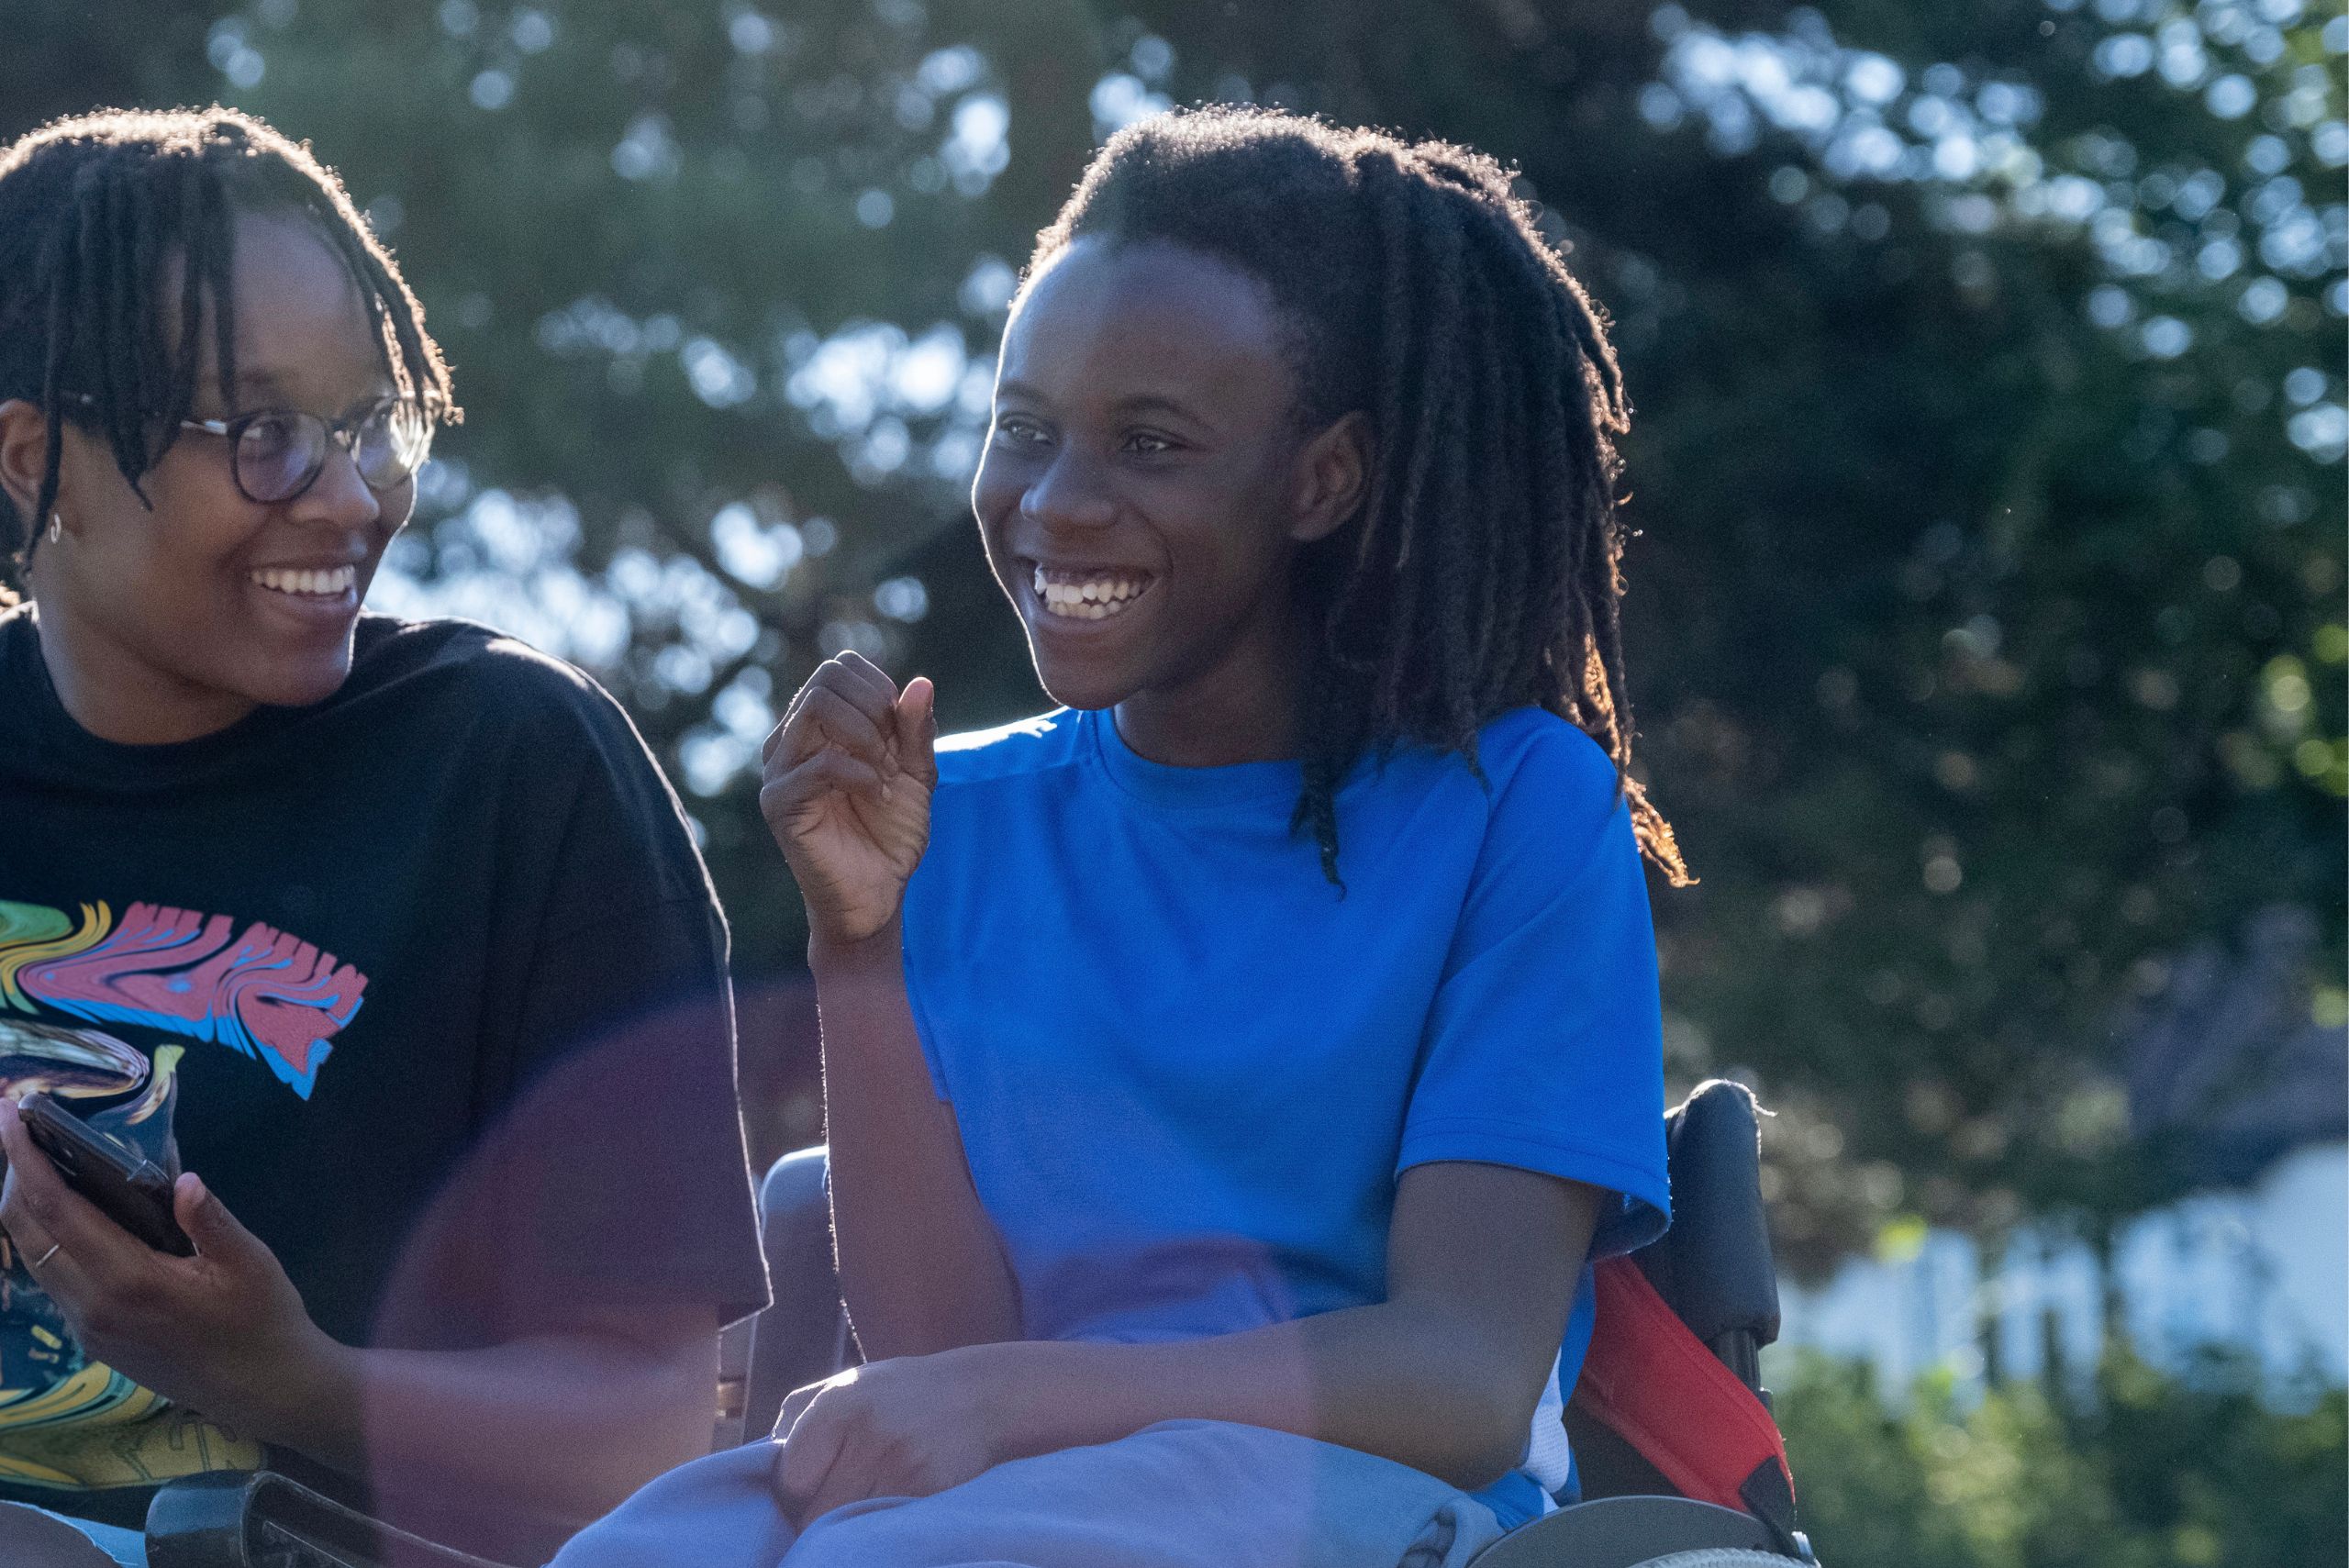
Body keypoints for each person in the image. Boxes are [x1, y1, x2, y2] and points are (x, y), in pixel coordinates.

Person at [555, 105, 1691, 1568]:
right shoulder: (945, 816)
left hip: (1358, 1501)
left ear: (1323, 477)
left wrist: (1018, 1401)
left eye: (1149, 443)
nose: (1058, 502)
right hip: (1002, 1500)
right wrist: (859, 939)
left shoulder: (1518, 807)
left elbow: (1463, 1378)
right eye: (1024, 430)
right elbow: (934, 1366)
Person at [0, 108, 768, 1565]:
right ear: (40, 461)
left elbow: (649, 1434)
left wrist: (288, 1377)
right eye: (262, 435)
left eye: (370, 424)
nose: (351, 497)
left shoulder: (513, 769)